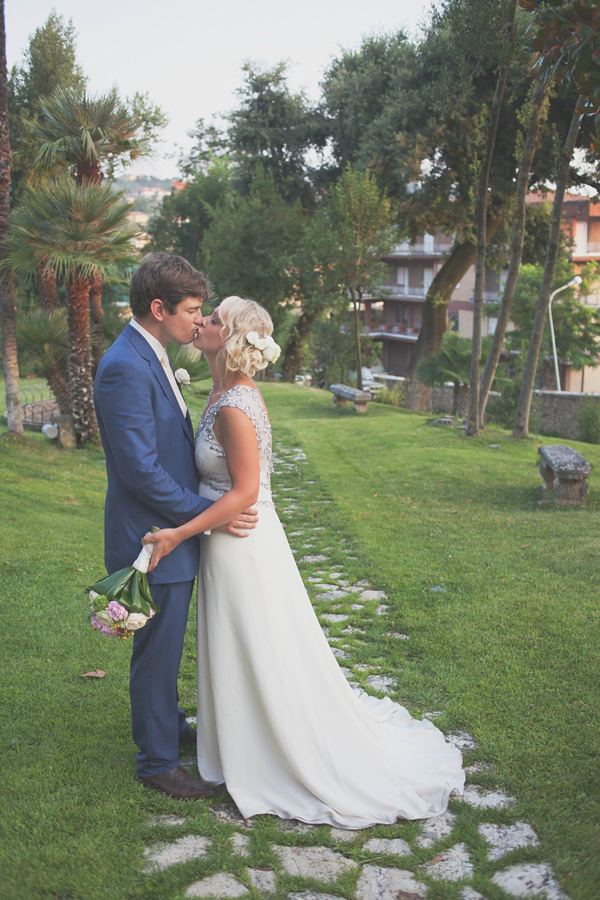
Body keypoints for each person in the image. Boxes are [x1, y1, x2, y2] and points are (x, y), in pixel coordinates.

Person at [142, 295, 465, 828]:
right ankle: (240, 741)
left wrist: (179, 531)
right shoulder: (221, 391)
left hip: (242, 543)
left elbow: (245, 492)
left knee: (258, 644)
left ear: (232, 339)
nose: (202, 322)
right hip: (230, 542)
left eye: (214, 319)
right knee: (241, 644)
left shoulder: (233, 407)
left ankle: (278, 751)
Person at [94, 254, 257, 801]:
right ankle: (157, 762)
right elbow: (141, 469)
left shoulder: (153, 353)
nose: (199, 319)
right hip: (152, 537)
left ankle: (169, 724)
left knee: (165, 646)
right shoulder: (124, 365)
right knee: (157, 651)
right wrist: (206, 516)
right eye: (191, 310)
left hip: (170, 529)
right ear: (158, 309)